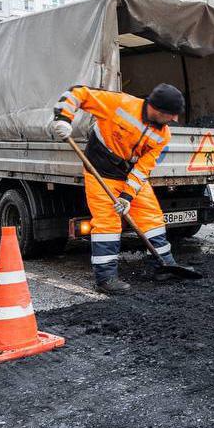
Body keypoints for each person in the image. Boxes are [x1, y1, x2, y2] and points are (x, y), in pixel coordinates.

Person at [49, 83, 185, 294]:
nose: (174, 120)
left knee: (152, 217)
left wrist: (127, 197)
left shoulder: (163, 134)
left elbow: (143, 168)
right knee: (107, 224)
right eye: (172, 115)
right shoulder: (120, 104)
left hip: (129, 173)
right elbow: (78, 93)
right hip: (100, 170)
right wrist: (63, 118)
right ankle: (105, 279)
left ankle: (163, 266)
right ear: (158, 110)